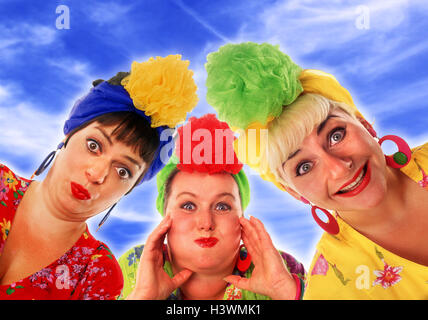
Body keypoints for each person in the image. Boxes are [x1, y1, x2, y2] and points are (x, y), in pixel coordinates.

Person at [204, 42, 428, 299]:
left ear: (365, 124)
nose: (339, 168)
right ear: (293, 192)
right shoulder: (331, 286)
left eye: (336, 135)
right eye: (305, 167)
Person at [0, 55, 198, 299]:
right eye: (94, 145)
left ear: (129, 189)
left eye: (123, 171)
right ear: (68, 136)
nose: (97, 174)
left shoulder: (98, 273)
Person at [118, 114, 306, 300]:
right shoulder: (132, 267)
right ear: (164, 214)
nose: (206, 223)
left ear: (242, 218)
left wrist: (284, 290)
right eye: (188, 205)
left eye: (222, 207)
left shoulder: (281, 269)